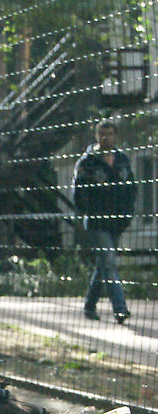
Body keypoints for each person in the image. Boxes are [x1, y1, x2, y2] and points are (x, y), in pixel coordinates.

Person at [73, 119, 137, 324]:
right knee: (109, 262)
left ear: (115, 136)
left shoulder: (122, 160)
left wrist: (128, 213)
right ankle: (120, 308)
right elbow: (78, 191)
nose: (105, 138)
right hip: (97, 222)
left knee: (103, 265)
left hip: (117, 221)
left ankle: (89, 305)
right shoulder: (87, 162)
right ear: (96, 135)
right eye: (102, 133)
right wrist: (87, 211)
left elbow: (131, 188)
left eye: (109, 134)